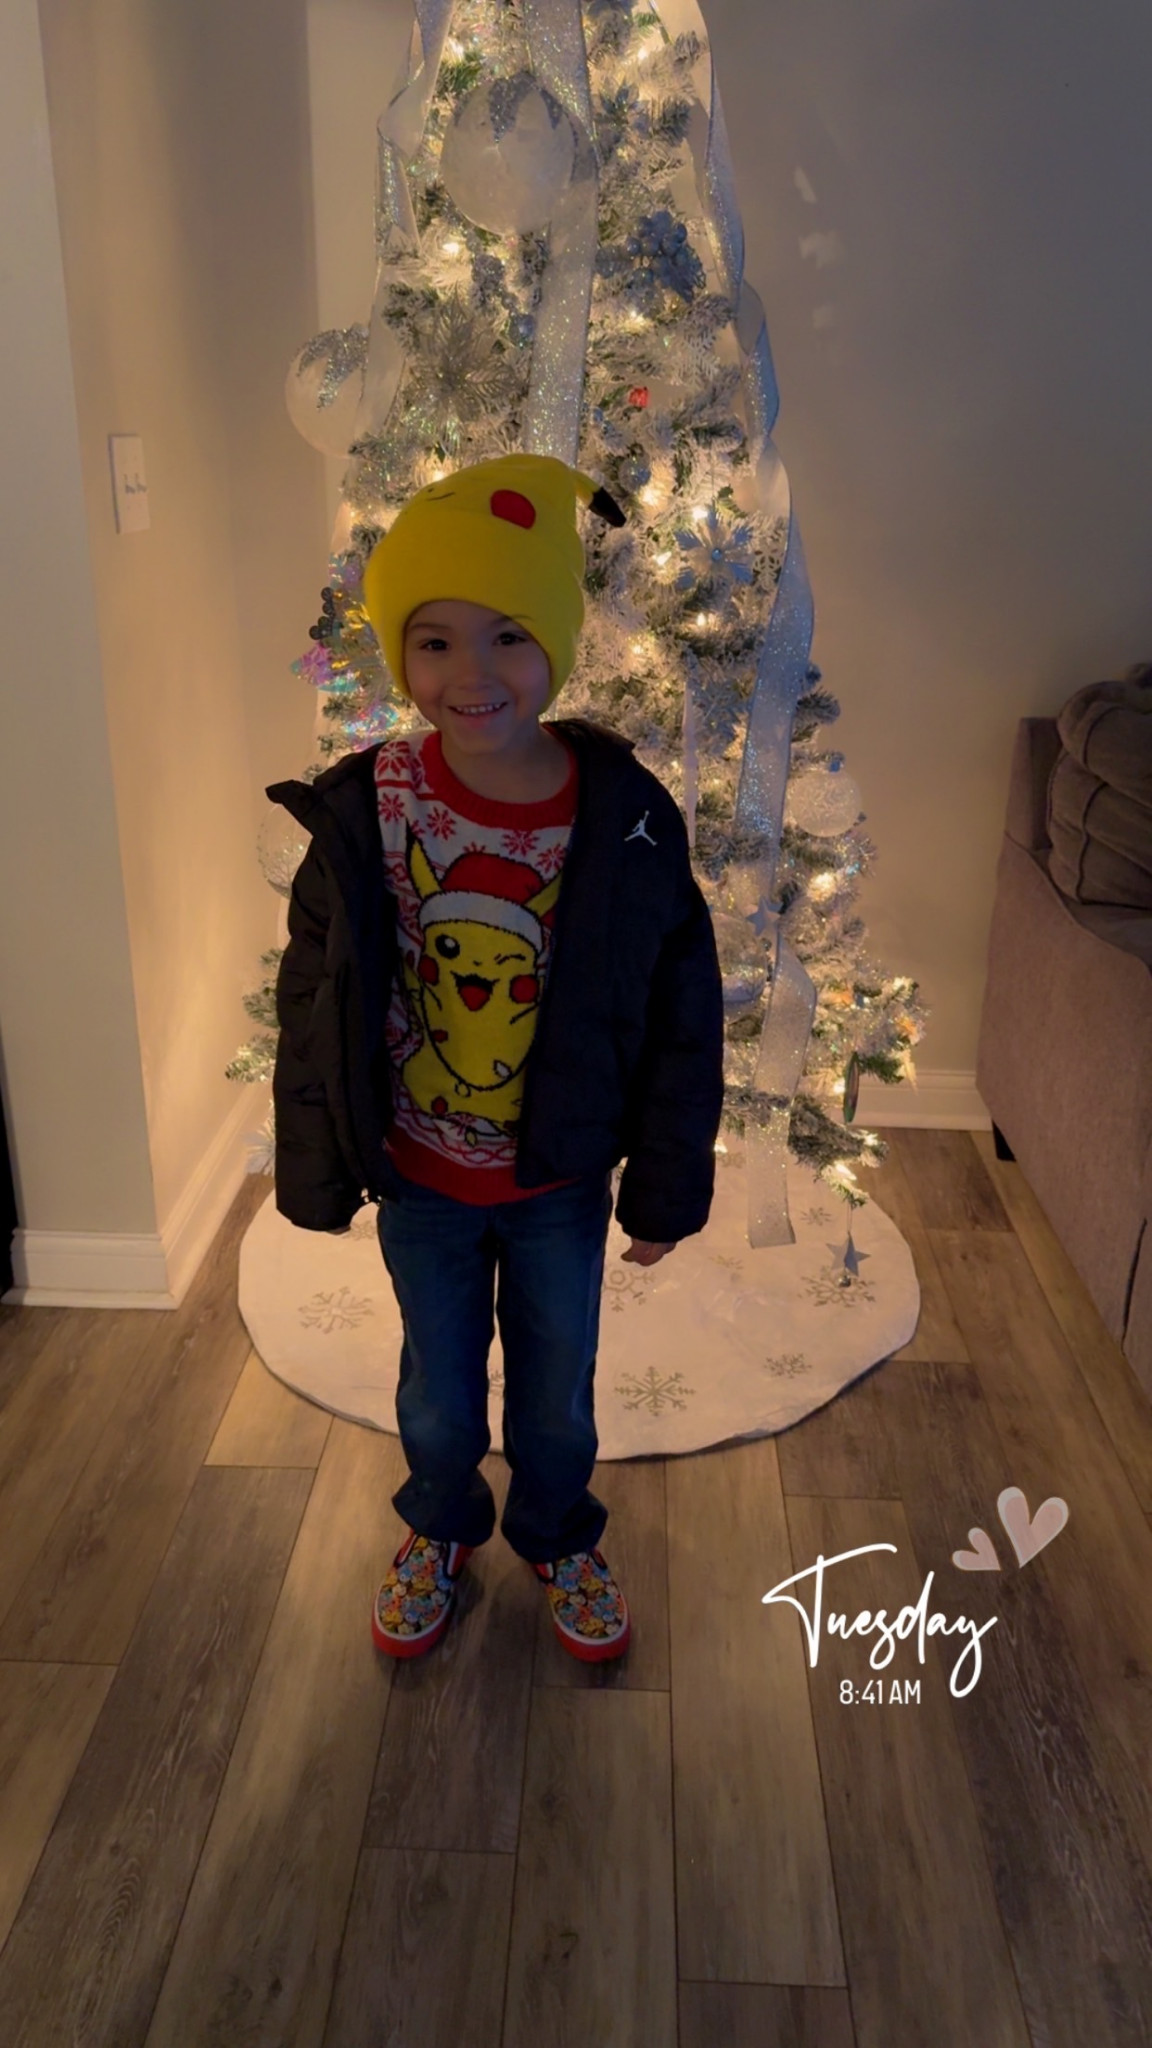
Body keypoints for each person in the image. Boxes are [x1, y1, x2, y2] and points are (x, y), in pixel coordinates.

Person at [267, 451, 724, 1666]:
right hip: (420, 1179)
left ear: (556, 644)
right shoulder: (370, 807)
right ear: (400, 654)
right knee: (437, 1389)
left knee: (558, 1386)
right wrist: (317, 1163)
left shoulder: (623, 819)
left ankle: (559, 1530)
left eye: (508, 635)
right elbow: (314, 995)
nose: (471, 675)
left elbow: (681, 1013)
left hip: (557, 1180)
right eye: (435, 641)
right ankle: (440, 1520)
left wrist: (663, 1187)